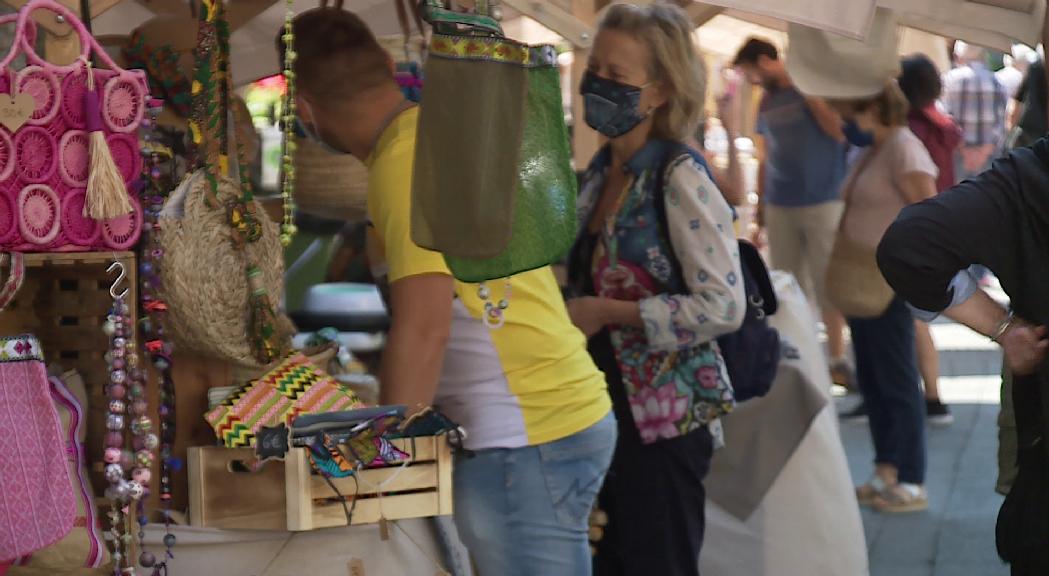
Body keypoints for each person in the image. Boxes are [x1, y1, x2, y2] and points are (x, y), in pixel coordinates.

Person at [284, 8, 616, 575]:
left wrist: (379, 464)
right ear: (388, 66)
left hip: (524, 433)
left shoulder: (403, 165)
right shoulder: (426, 136)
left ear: (305, 111)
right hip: (545, 417)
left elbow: (424, 326)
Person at [565, 5, 745, 575]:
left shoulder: (679, 175)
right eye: (596, 69)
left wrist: (606, 311)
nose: (599, 84)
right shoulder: (600, 171)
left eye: (617, 77)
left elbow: (723, 304)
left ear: (661, 89)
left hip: (664, 419)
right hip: (602, 406)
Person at [787, 10, 939, 512]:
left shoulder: (903, 148)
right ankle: (886, 469)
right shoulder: (871, 150)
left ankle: (911, 479)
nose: (845, 120)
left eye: (851, 111)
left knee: (896, 378)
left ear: (872, 108)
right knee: (874, 378)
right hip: (864, 278)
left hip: (890, 282)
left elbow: (927, 210)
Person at [877, 138, 1049, 576]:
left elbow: (910, 245)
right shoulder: (1026, 177)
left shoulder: (1028, 178)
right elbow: (911, 245)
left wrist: (1005, 329)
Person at [732, 37, 852, 389]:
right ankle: (799, 357)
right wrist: (760, 211)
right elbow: (764, 157)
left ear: (768, 60)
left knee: (826, 285)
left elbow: (838, 133)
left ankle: (836, 359)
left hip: (822, 201)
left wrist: (808, 88)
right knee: (784, 286)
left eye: (753, 71)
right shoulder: (766, 101)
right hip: (781, 204)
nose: (753, 80)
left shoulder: (810, 90)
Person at [899, 54, 964, 426]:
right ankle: (933, 395)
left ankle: (933, 397)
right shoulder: (940, 125)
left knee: (914, 320)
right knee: (918, 318)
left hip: (916, 232)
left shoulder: (911, 131)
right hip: (938, 231)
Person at [943, 41, 1009, 181]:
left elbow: (946, 117)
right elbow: (1001, 121)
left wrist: (964, 150)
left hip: (958, 153)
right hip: (988, 155)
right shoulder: (996, 81)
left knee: (955, 199)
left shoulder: (950, 79)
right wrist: (983, 152)